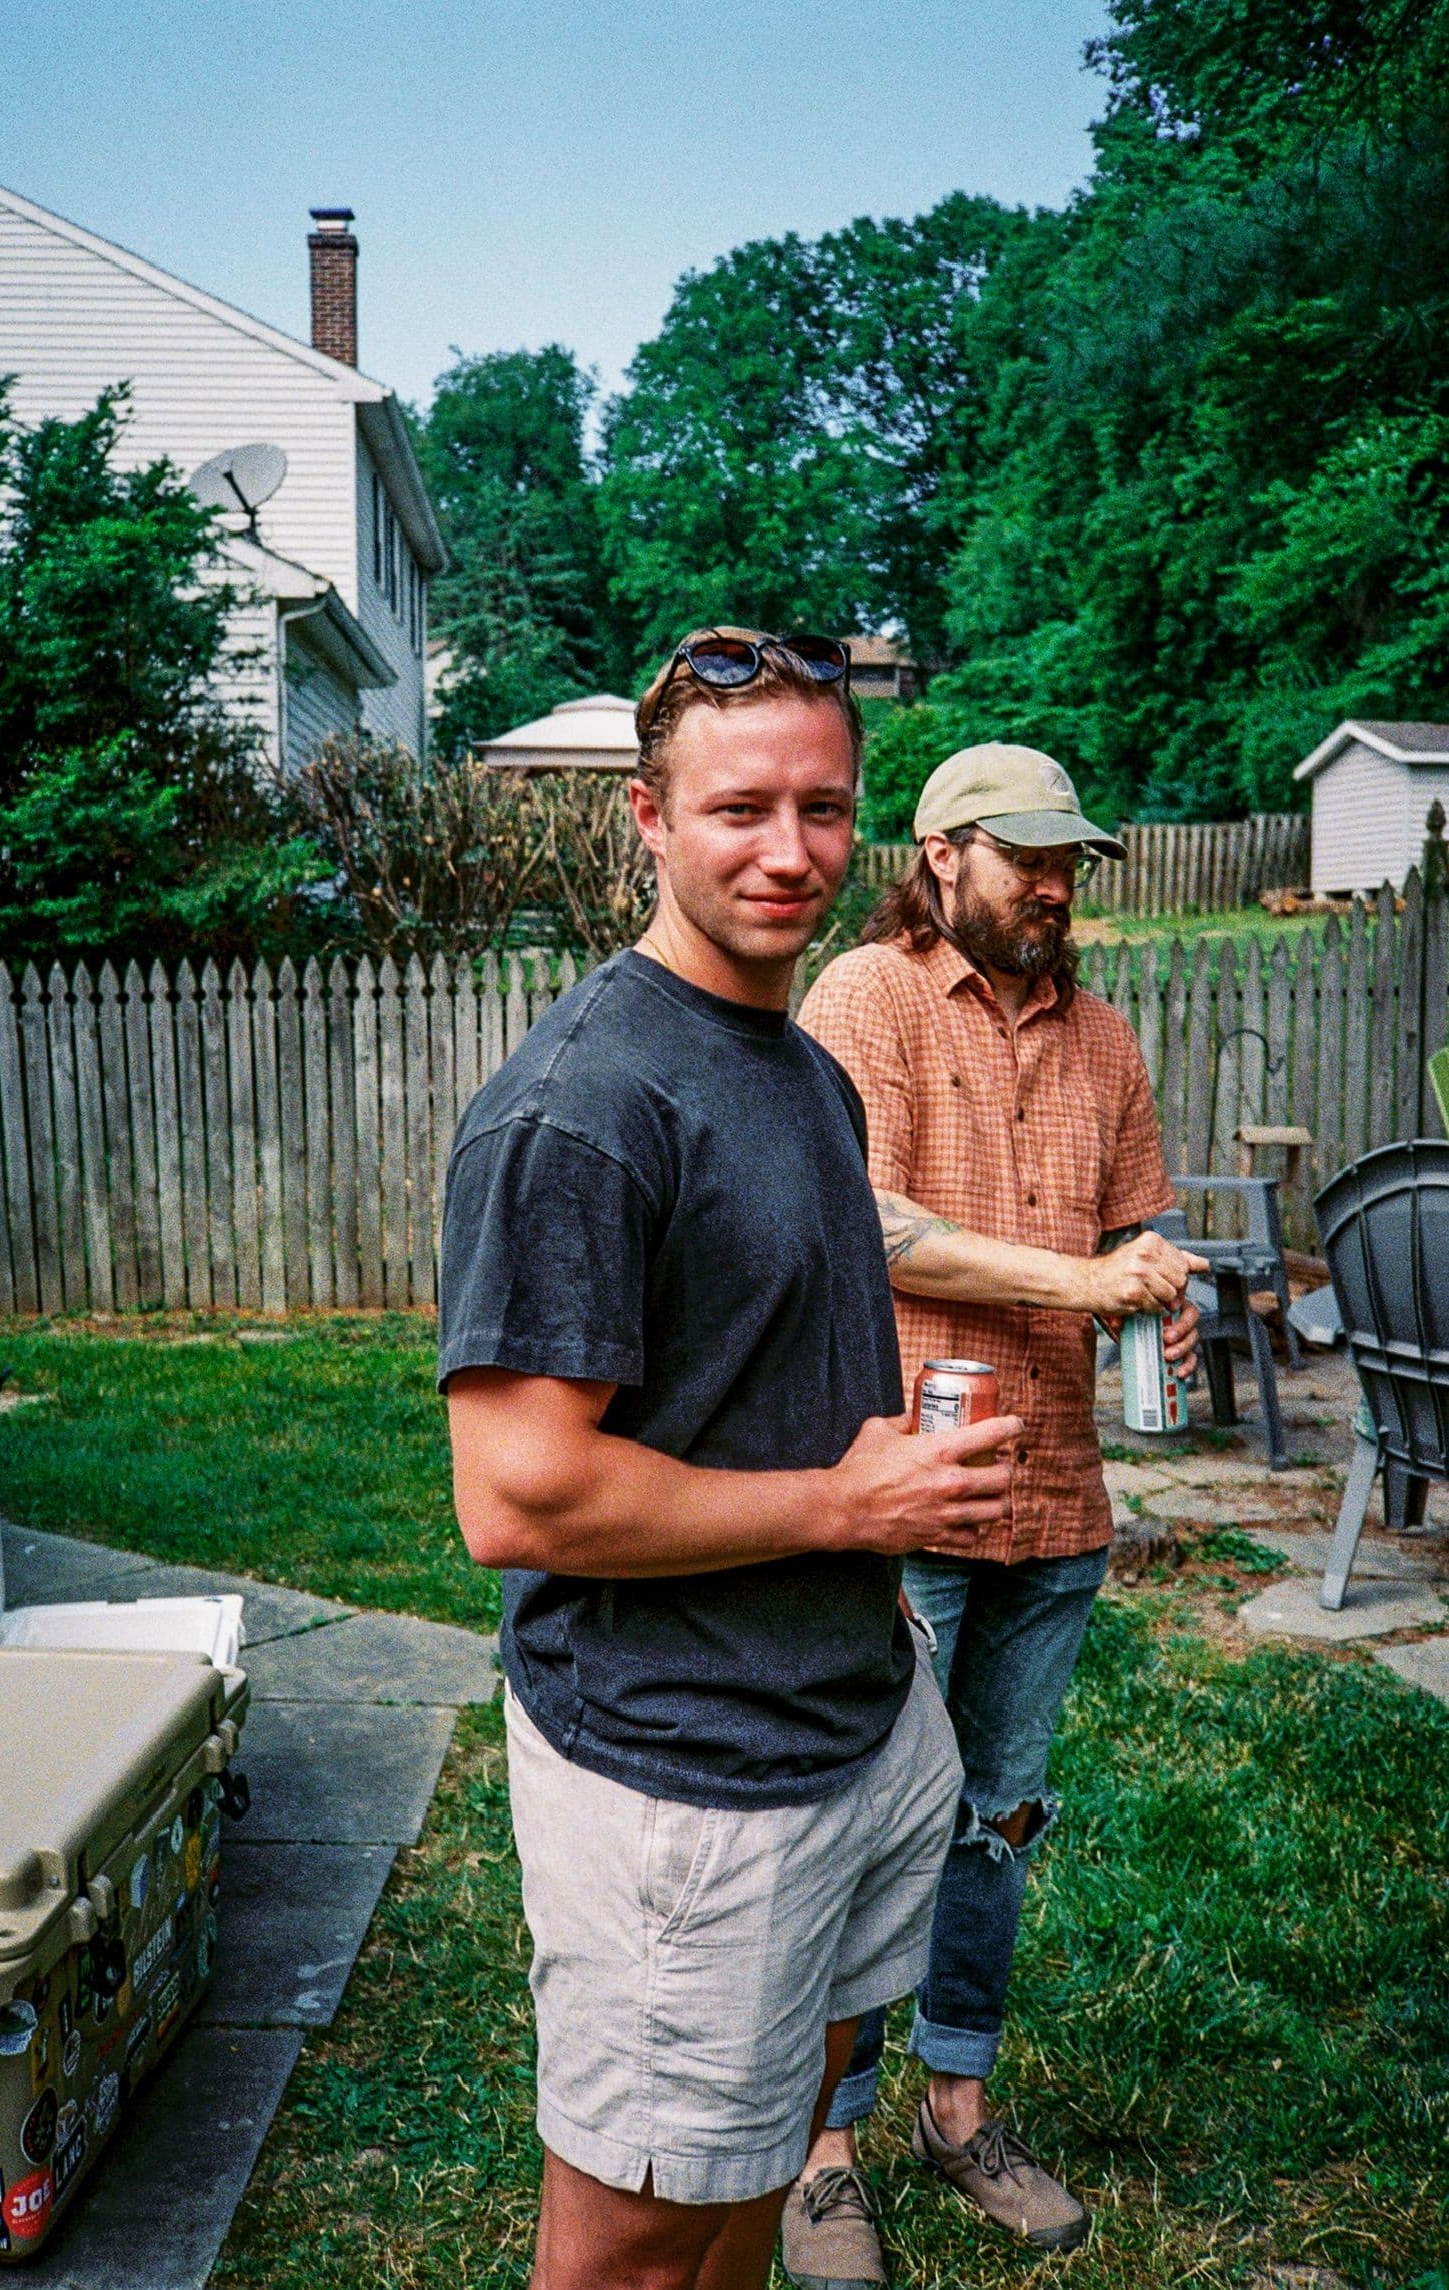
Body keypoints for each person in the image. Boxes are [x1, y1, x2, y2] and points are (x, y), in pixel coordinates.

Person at [438, 632, 1022, 2290]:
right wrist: (848, 1503)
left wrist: (874, 1531)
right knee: (633, 2247)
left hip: (845, 1720)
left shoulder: (805, 1070)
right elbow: (517, 1492)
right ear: (648, 815)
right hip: (685, 1777)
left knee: (751, 2180)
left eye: (823, 808)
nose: (789, 850)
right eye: (739, 808)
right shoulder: (584, 1106)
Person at [782, 742, 1203, 2284]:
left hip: (1056, 1495)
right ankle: (821, 2149)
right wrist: (1081, 1278)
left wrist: (1162, 1296)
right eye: (1027, 858)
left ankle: (956, 2107)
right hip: (910, 1486)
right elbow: (869, 1221)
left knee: (997, 1816)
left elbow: (1136, 1226)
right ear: (942, 854)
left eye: (1068, 861)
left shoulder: (1105, 1037)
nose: (1053, 886)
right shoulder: (867, 1000)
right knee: (866, 1814)